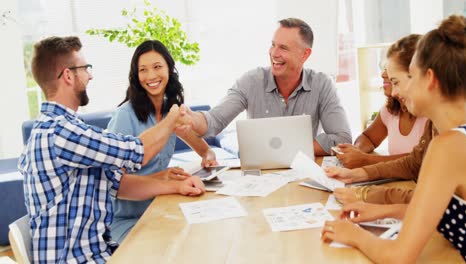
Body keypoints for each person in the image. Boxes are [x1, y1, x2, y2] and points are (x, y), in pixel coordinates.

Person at [18, 36, 205, 263]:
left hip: (98, 251)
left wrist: (177, 185)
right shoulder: (61, 133)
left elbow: (120, 184)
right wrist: (173, 116)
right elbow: (139, 151)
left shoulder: (65, 129)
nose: (90, 75)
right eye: (85, 68)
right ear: (68, 75)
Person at [321, 15, 466, 262]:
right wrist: (378, 210)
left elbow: (399, 257)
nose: (399, 90)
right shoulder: (455, 139)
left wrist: (354, 234)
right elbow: (440, 210)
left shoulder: (449, 146)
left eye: (409, 77)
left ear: (430, 79)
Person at [187, 17, 352, 156]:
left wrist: (286, 151)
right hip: (260, 179)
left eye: (283, 48)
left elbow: (342, 139)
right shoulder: (250, 81)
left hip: (304, 174)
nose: (274, 53)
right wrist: (193, 120)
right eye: (273, 45)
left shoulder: (322, 84)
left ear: (305, 54)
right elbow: (215, 121)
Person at [107, 40, 217, 243]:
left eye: (157, 67)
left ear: (169, 69)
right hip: (126, 219)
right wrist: (163, 178)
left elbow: (205, 150)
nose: (151, 76)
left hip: (161, 208)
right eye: (143, 70)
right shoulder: (125, 116)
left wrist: (209, 158)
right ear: (136, 75)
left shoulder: (170, 111)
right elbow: (113, 183)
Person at [334, 35, 427, 169]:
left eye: (388, 69)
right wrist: (356, 152)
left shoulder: (430, 114)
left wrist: (366, 160)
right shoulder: (390, 110)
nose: (383, 74)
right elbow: (369, 137)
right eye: (383, 68)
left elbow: (419, 161)